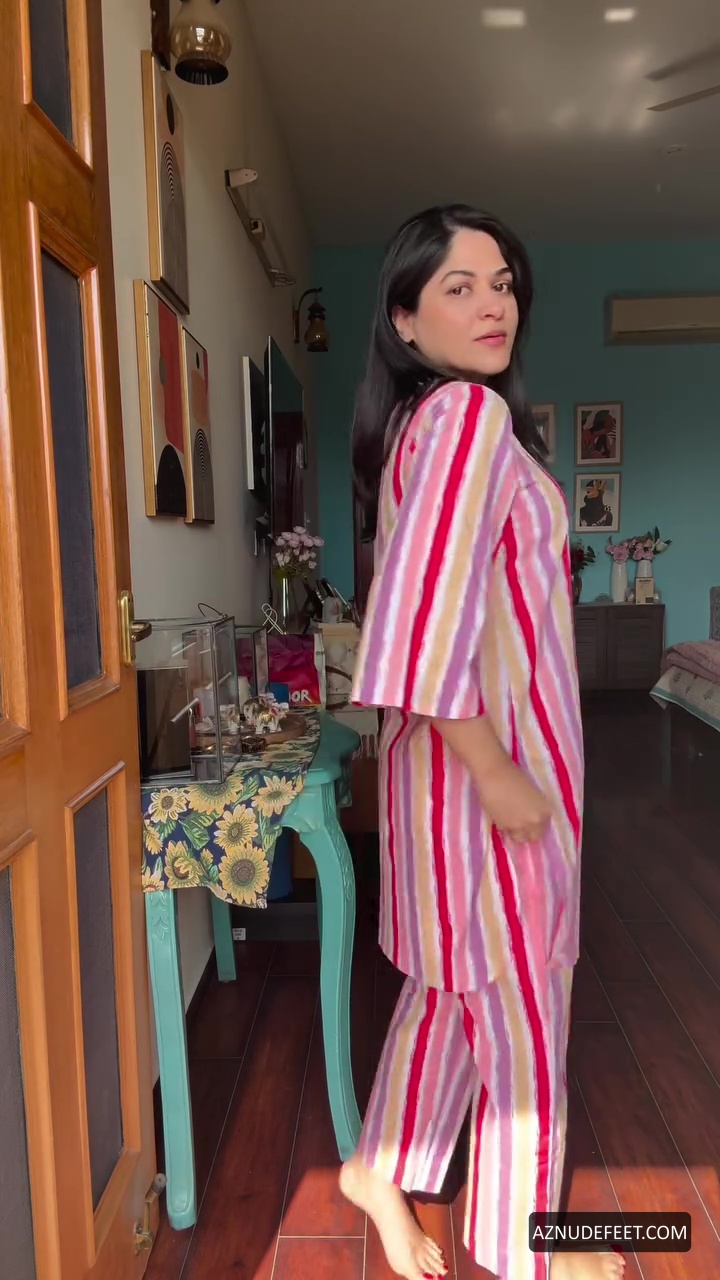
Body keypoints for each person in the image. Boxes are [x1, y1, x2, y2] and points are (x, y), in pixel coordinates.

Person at [338, 205, 625, 1280]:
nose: (493, 303)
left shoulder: (426, 423)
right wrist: (502, 775)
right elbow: (419, 618)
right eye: (458, 286)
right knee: (523, 1003)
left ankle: (378, 1168)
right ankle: (523, 1243)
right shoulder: (466, 415)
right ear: (405, 319)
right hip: (485, 776)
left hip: (443, 781)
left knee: (452, 989)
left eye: (501, 282)